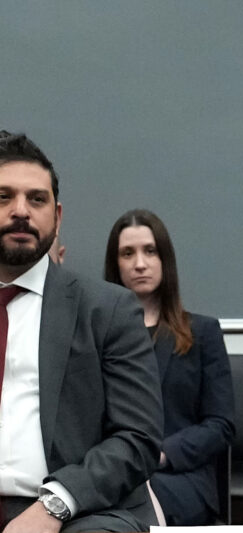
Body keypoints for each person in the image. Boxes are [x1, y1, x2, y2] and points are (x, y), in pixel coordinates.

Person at [0, 131, 163, 532]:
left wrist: (53, 506)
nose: (21, 210)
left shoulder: (107, 310)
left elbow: (138, 437)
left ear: (57, 217)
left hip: (77, 511)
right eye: (4, 196)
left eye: (36, 199)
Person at [102, 209, 235, 526]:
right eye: (127, 253)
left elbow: (221, 425)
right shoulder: (98, 337)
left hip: (179, 476)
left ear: (165, 260)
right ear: (115, 264)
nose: (139, 263)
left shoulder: (202, 333)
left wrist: (159, 454)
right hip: (113, 475)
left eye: (150, 251)